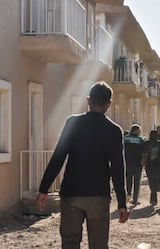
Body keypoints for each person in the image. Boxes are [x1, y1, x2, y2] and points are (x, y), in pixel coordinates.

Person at [35, 82, 128, 249]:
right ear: (109, 105)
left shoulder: (72, 123)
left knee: (70, 243)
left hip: (71, 195)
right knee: (98, 245)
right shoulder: (114, 131)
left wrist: (44, 189)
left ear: (88, 101)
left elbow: (58, 157)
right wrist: (122, 203)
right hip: (99, 196)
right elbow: (118, 169)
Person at [143, 130, 160, 205]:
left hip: (149, 165)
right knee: (157, 179)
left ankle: (153, 195)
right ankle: (154, 195)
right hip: (158, 165)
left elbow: (142, 154)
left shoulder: (146, 143)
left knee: (151, 180)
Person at [124, 124, 144, 205]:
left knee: (128, 180)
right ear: (136, 131)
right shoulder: (140, 140)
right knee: (137, 181)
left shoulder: (124, 138)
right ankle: (135, 200)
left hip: (127, 163)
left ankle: (128, 196)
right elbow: (143, 151)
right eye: (139, 131)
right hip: (137, 163)